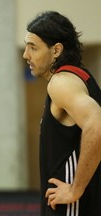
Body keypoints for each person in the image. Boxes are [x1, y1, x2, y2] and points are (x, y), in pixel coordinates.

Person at [23, 11, 101, 216]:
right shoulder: (81, 77)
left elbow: (98, 125)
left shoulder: (62, 83)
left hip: (73, 207)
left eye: (33, 47)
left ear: (56, 50)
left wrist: (75, 189)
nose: (26, 55)